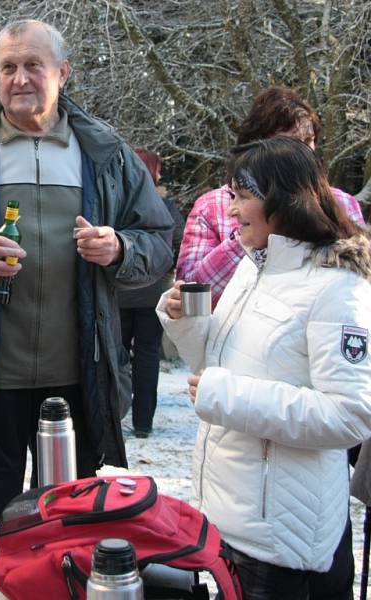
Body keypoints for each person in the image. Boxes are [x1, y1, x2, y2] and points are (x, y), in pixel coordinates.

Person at [0, 19, 174, 523]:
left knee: (69, 523)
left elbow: (158, 239)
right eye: (8, 67)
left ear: (63, 73)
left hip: (80, 376)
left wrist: (121, 247)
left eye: (33, 66)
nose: (20, 79)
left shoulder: (105, 154)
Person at [157, 137, 371, 599]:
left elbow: (351, 415)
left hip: (281, 538)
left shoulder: (337, 288)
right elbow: (215, 365)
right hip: (232, 516)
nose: (231, 212)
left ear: (283, 200)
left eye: (241, 197)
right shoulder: (256, 267)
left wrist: (224, 397)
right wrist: (187, 322)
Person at [176, 87, 364, 308]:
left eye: (309, 139)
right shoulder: (212, 207)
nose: (304, 151)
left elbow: (356, 288)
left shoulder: (340, 203)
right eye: (288, 142)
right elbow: (189, 295)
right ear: (259, 146)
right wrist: (248, 234)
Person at [117, 149, 184, 438]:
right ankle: (143, 422)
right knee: (147, 355)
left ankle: (113, 413)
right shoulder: (166, 207)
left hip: (119, 291)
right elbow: (180, 241)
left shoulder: (119, 204)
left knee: (116, 355)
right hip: (154, 292)